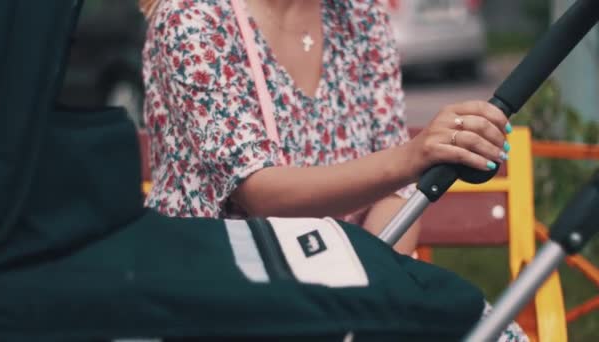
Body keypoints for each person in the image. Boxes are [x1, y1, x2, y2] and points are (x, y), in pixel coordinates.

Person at [139, 1, 527, 340]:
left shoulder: (362, 15)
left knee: (495, 332)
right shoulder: (193, 17)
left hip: (353, 280)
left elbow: (398, 192)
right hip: (228, 285)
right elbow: (258, 189)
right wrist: (413, 157)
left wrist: (375, 286)